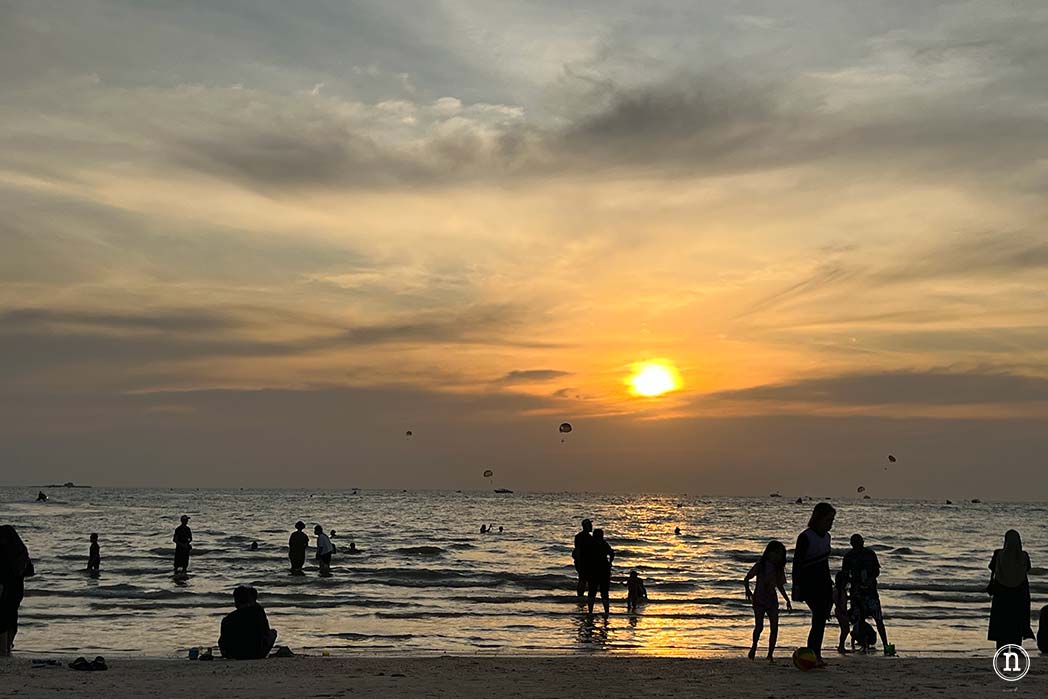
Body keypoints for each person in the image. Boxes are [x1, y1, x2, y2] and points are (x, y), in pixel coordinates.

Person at [791, 502, 836, 667]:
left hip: (823, 581)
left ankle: (814, 652)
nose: (830, 523)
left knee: (821, 618)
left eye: (832, 520)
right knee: (818, 616)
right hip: (808, 583)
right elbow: (797, 563)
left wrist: (831, 586)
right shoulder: (806, 537)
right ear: (818, 518)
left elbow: (824, 563)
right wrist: (796, 586)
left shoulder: (827, 538)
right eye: (828, 520)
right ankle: (813, 653)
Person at [841, 533, 892, 654]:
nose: (858, 545)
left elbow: (876, 571)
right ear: (852, 544)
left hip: (871, 592)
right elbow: (844, 575)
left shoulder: (870, 554)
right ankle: (864, 645)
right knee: (860, 621)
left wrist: (869, 579)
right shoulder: (848, 557)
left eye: (859, 543)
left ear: (863, 542)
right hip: (857, 593)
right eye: (855, 543)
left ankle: (885, 644)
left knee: (878, 619)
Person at [744, 540, 791, 661]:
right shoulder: (761, 565)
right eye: (775, 553)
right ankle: (754, 646)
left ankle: (770, 654)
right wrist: (747, 590)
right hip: (759, 598)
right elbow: (747, 578)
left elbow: (780, 586)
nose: (777, 556)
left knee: (774, 627)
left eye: (780, 554)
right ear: (769, 552)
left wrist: (787, 600)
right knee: (759, 626)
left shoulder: (778, 569)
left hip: (772, 600)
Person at [987, 529, 1034, 649]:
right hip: (1020, 592)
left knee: (1001, 619)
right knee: (1016, 620)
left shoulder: (998, 554)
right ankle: (1016, 647)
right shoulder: (1024, 556)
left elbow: (991, 568)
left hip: (1001, 592)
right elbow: (1028, 569)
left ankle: (1001, 647)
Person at [0, 525, 34, 656]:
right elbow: (27, 570)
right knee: (11, 618)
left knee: (2, 619)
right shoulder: (20, 554)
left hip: (5, 588)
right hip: (16, 589)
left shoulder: (3, 552)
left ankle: (3, 649)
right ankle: (7, 647)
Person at [218, 585, 277, 660]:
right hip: (256, 654)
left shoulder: (227, 619)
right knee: (273, 633)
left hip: (234, 655)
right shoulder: (258, 612)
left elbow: (222, 642)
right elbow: (266, 632)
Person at [586, 528, 614, 616]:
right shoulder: (604, 544)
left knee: (592, 592)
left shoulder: (590, 544)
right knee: (604, 592)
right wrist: (610, 562)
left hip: (592, 570)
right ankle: (606, 611)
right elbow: (612, 554)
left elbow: (585, 556)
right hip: (604, 570)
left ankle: (590, 611)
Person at [572, 519, 593, 598]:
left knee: (582, 579)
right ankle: (581, 597)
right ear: (586, 526)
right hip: (584, 561)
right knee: (583, 579)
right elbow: (579, 549)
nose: (591, 527)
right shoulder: (587, 537)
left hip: (581, 561)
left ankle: (580, 597)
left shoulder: (579, 536)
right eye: (590, 525)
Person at [832, 570, 850, 654]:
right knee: (845, 629)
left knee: (845, 629)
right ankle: (841, 646)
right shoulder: (837, 591)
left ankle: (841, 646)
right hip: (840, 611)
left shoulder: (842, 590)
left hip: (843, 611)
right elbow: (836, 601)